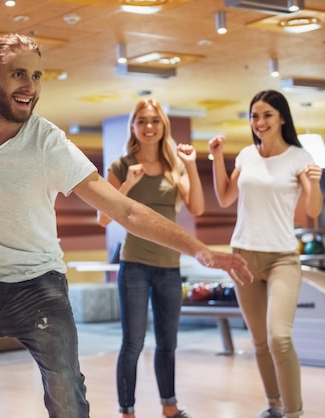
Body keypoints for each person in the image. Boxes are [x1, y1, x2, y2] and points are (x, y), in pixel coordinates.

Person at [0, 33, 253, 418]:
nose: (30, 87)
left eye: (36, 77)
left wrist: (200, 250)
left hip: (38, 286)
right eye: (19, 74)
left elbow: (127, 211)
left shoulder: (49, 144)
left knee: (68, 399)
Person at [209, 90, 323, 418]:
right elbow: (225, 198)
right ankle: (273, 405)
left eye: (267, 115)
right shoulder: (245, 155)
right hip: (243, 254)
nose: (259, 122)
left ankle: (293, 412)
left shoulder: (299, 158)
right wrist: (217, 158)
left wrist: (314, 184)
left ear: (282, 118)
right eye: (254, 116)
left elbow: (313, 209)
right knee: (259, 341)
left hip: (282, 258)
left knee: (279, 337)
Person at [97, 98, 204, 418]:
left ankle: (169, 407)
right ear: (133, 126)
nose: (148, 127)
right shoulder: (120, 166)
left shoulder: (174, 168)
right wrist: (129, 182)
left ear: (163, 127)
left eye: (155, 121)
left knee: (167, 343)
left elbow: (197, 207)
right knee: (132, 343)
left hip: (169, 266)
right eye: (142, 121)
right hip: (135, 267)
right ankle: (127, 411)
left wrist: (192, 165)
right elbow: (102, 219)